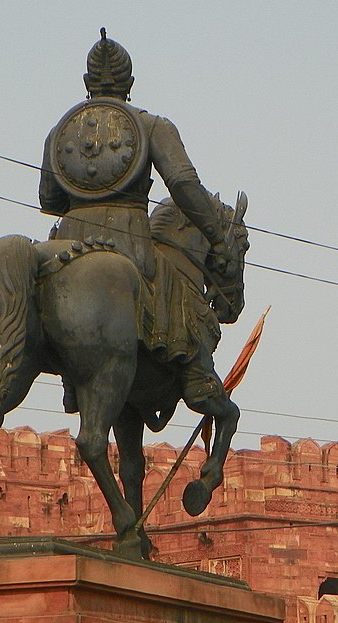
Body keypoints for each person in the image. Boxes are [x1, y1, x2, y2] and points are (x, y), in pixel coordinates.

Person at [38, 29, 235, 412]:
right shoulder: (152, 125)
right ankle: (192, 374)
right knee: (178, 293)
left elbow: (48, 198)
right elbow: (182, 184)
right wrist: (216, 237)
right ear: (129, 83)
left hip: (67, 244)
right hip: (129, 244)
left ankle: (71, 378)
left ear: (87, 83)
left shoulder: (60, 132)